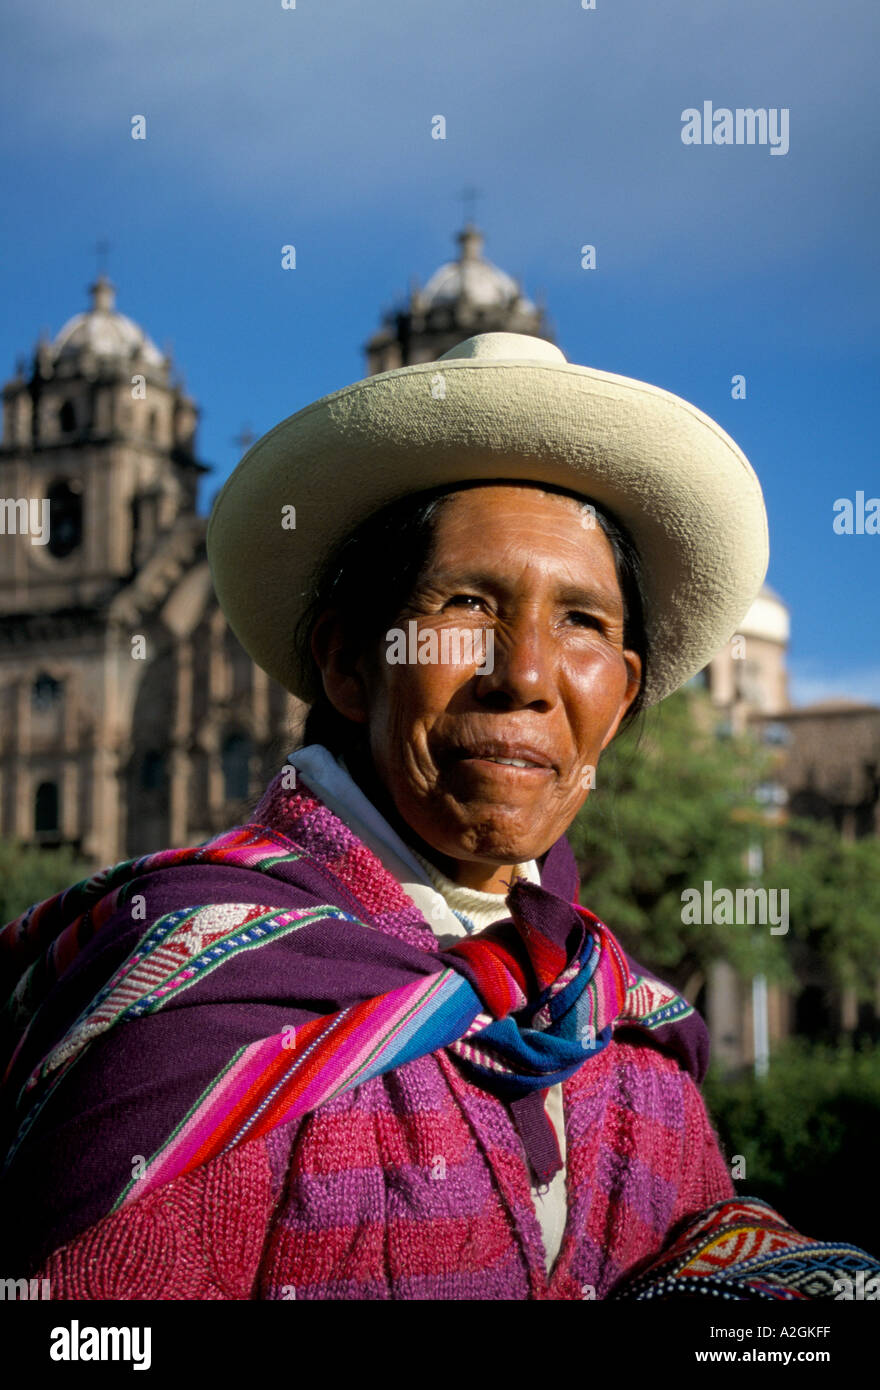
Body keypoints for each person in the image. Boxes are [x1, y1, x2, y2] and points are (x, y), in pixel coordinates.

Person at [1, 332, 876, 1301]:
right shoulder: (185, 1014)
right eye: (466, 604)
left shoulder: (627, 1034)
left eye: (582, 622)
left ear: (624, 694)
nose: (526, 675)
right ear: (347, 661)